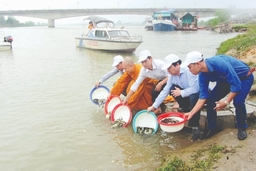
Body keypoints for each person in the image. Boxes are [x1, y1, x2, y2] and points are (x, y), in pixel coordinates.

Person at [183, 51, 254, 140]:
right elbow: (203, 97)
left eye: (190, 67)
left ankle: (242, 127)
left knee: (238, 101)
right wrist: (191, 113)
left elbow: (236, 85)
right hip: (225, 80)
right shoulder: (202, 75)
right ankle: (212, 128)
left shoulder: (219, 64)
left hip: (244, 78)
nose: (189, 70)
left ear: (197, 63)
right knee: (211, 100)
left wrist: (226, 102)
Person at [147, 54, 201, 141]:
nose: (168, 71)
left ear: (177, 65)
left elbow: (195, 88)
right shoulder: (171, 76)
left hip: (199, 93)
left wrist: (181, 92)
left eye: (169, 68)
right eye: (167, 69)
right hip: (187, 93)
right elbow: (165, 91)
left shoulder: (188, 70)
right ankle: (186, 107)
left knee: (193, 96)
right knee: (172, 89)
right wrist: (154, 106)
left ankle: (195, 126)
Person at [123, 50, 174, 114]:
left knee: (172, 89)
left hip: (171, 78)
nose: (144, 64)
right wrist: (126, 99)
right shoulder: (143, 70)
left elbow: (170, 75)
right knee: (154, 92)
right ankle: (158, 108)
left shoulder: (160, 64)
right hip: (161, 80)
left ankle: (177, 102)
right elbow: (136, 84)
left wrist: (161, 83)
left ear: (151, 59)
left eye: (145, 61)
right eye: (142, 62)